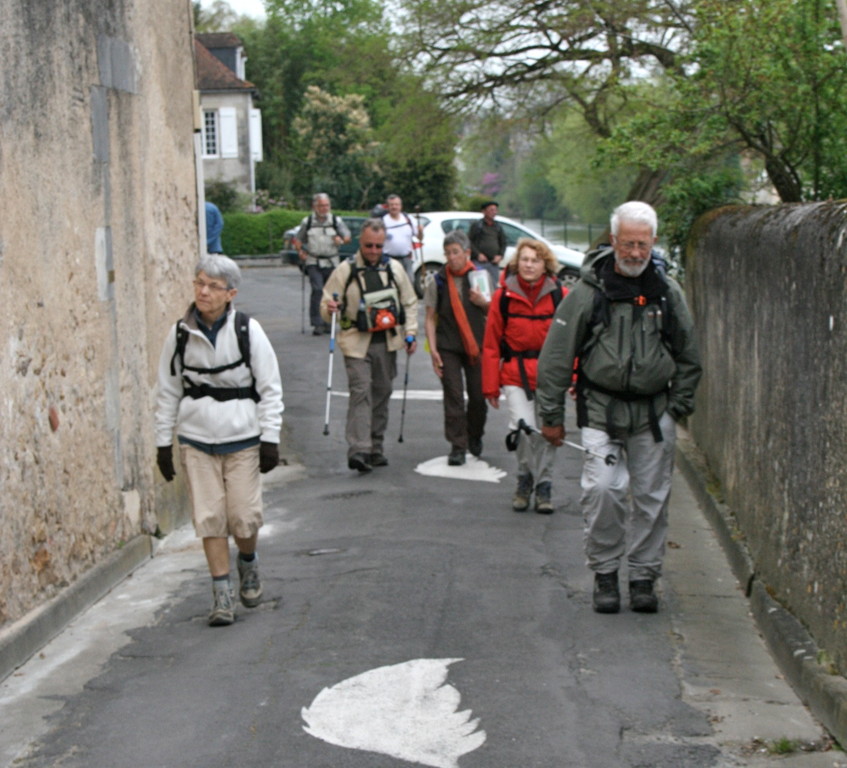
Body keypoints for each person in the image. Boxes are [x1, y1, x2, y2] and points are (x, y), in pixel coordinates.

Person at [536, 201, 701, 614]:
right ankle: (606, 573)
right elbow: (556, 357)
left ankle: (643, 577)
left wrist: (677, 407)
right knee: (605, 490)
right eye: (627, 243)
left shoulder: (667, 292)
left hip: (653, 413)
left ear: (653, 243)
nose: (633, 252)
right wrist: (551, 417)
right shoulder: (589, 292)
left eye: (641, 244)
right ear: (613, 241)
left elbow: (689, 354)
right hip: (600, 409)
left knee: (651, 497)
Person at [155, 254, 284, 627]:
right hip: (196, 441)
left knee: (243, 518)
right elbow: (167, 391)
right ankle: (221, 595)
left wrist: (270, 438)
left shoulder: (248, 330)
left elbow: (270, 389)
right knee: (209, 518)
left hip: (242, 439)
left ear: (231, 293)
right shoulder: (180, 334)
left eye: (212, 286)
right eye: (199, 283)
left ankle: (248, 561)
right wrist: (164, 443)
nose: (203, 291)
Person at [321, 218, 418, 473]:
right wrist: (330, 309)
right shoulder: (345, 270)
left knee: (382, 392)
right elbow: (325, 305)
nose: (373, 251)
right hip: (355, 341)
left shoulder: (395, 269)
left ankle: (376, 447)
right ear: (360, 243)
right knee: (361, 391)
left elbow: (409, 302)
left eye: (377, 246)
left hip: (387, 342)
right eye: (368, 246)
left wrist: (410, 333)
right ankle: (359, 449)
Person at [482, 238, 565, 513]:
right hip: (515, 373)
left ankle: (544, 484)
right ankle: (524, 476)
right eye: (525, 259)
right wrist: (490, 386)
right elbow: (492, 343)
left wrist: (574, 376)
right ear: (518, 263)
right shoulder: (503, 297)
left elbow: (571, 341)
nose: (529, 265)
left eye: (535, 260)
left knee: (548, 432)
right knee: (523, 428)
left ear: (545, 265)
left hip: (550, 375)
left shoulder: (559, 295)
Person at [424, 230, 490, 466]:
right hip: (448, 346)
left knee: (478, 397)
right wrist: (433, 350)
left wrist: (483, 303)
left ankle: (475, 434)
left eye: (456, 252)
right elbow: (430, 318)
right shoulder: (438, 281)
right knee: (453, 397)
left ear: (467, 253)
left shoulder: (479, 277)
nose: (451, 258)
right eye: (447, 253)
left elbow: (492, 314)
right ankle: (457, 445)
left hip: (476, 345)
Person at [294, 193, 352, 336]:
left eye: (326, 205)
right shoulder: (307, 222)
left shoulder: (335, 221)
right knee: (318, 290)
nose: (324, 208)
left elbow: (348, 237)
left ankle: (329, 322)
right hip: (313, 261)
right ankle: (317, 323)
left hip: (332, 261)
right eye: (321, 205)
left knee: (332, 293)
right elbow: (297, 240)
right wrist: (300, 251)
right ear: (315, 206)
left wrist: (342, 240)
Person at [381, 194, 423, 282]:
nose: (394, 207)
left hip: (406, 259)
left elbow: (420, 237)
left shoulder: (408, 219)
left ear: (401, 206)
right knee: (393, 283)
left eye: (396, 204)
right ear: (388, 207)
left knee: (409, 283)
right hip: (389, 259)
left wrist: (420, 231)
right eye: (391, 205)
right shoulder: (383, 221)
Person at [468, 200, 507, 285]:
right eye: (491, 210)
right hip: (479, 262)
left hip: (493, 263)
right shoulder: (477, 225)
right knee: (480, 285)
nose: (494, 212)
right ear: (484, 211)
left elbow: (503, 243)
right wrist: (478, 254)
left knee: (493, 285)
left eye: (495, 210)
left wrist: (500, 255)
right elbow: (469, 241)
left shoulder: (498, 227)